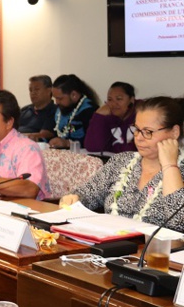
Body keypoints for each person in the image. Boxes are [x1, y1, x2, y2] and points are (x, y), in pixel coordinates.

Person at [60, 97, 184, 230]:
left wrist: (170, 166)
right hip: (110, 245)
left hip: (158, 249)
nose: (139, 138)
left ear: (174, 132)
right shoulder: (121, 161)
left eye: (148, 132)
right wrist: (74, 198)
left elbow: (178, 222)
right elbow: (85, 194)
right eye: (136, 129)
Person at [44, 74, 98, 148]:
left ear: (74, 95)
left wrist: (68, 143)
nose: (56, 102)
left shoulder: (90, 111)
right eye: (55, 98)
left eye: (60, 98)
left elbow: (94, 142)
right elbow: (54, 132)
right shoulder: (60, 110)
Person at [84, 82, 137, 154]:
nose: (113, 104)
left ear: (132, 100)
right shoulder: (108, 117)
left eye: (119, 99)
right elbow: (93, 146)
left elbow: (131, 151)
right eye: (110, 99)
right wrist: (98, 115)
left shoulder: (139, 117)